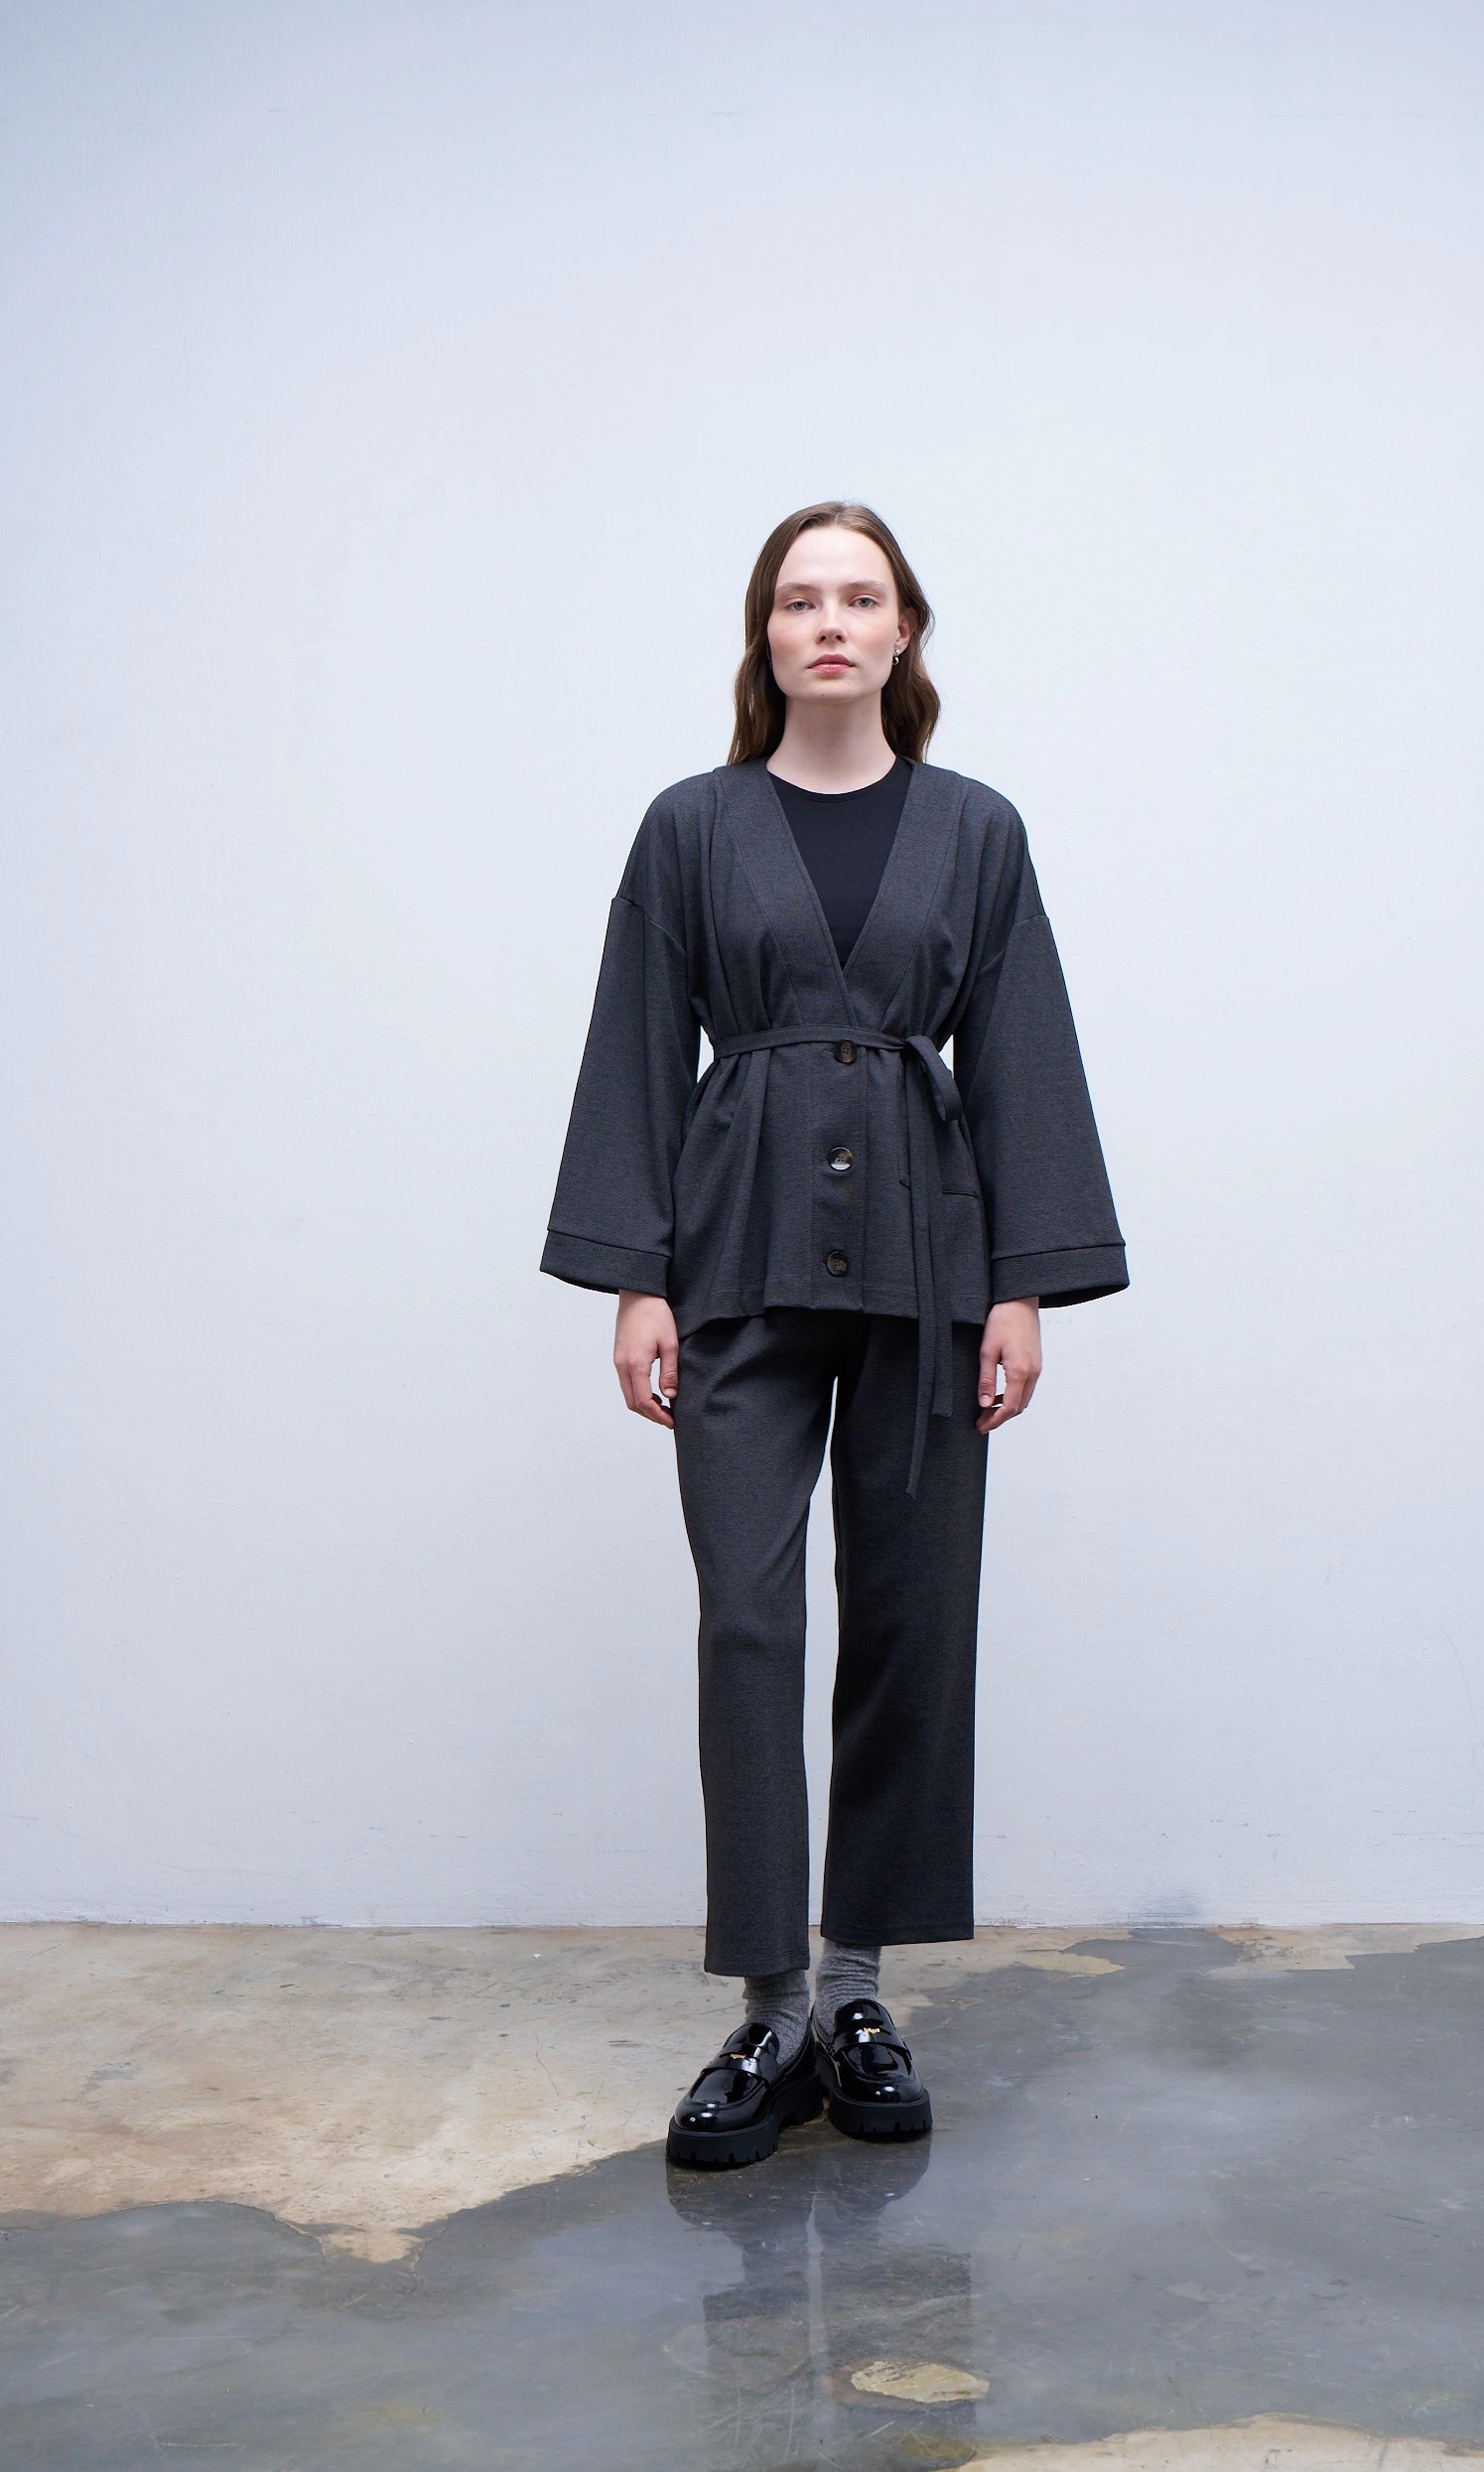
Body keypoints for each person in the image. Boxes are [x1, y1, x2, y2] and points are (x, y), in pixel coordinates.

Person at [542, 501, 1127, 2167]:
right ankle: (770, 2007)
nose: (829, 622)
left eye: (860, 596)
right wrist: (638, 1276)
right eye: (800, 598)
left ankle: (859, 1994)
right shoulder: (692, 825)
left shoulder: (978, 829)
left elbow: (1020, 1049)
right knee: (748, 1618)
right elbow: (638, 1040)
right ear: (766, 633)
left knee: (910, 1617)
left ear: (903, 630)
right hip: (734, 1250)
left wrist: (1022, 1284)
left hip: (932, 1264)